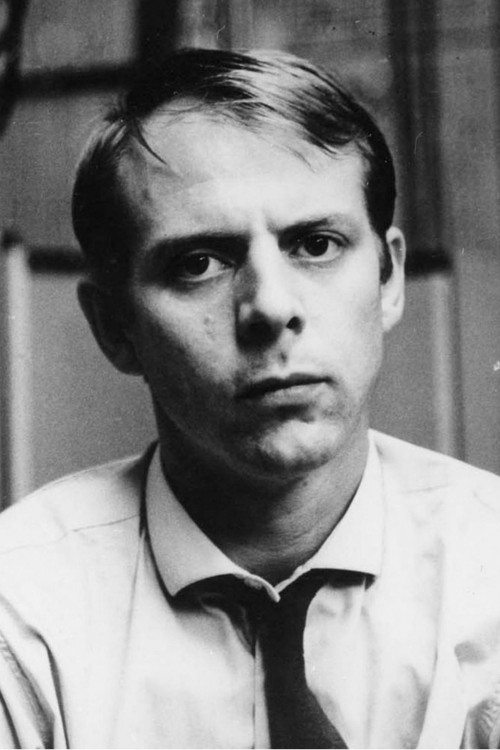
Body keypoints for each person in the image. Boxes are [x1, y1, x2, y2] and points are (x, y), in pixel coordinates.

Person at [0, 47, 500, 750]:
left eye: (317, 244)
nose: (270, 306)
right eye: (199, 263)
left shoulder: (489, 572)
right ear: (115, 327)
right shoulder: (21, 612)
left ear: (389, 278)